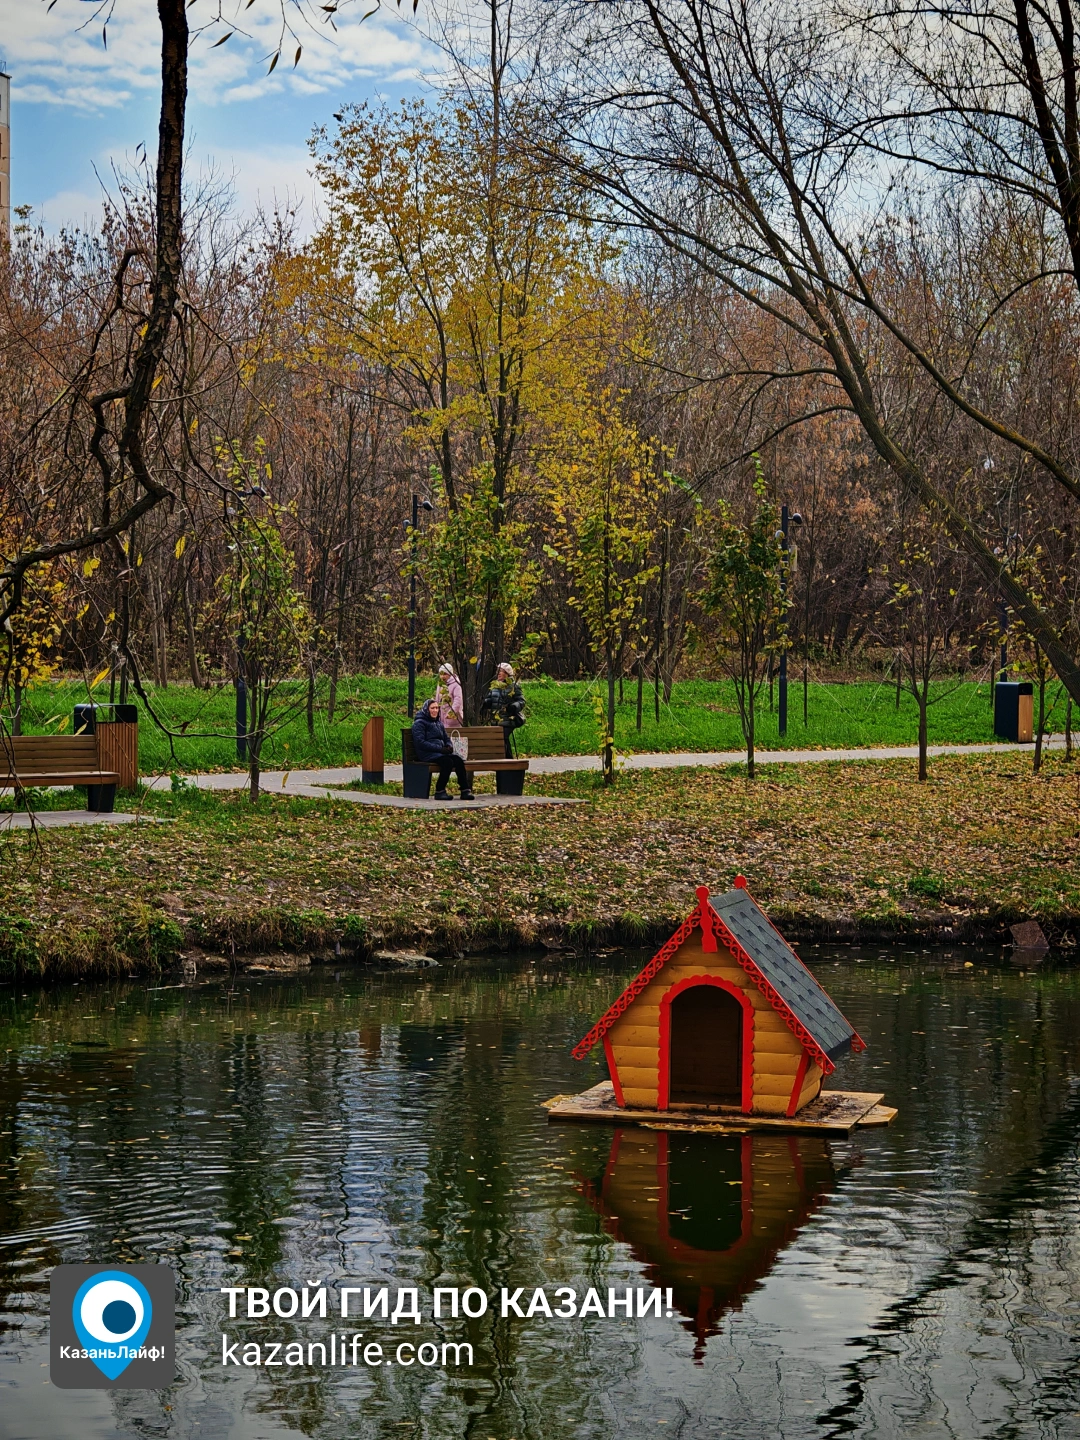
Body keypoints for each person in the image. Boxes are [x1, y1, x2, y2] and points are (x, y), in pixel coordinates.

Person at [411, 698, 474, 800]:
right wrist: (440, 749)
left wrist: (449, 746)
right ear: (426, 709)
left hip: (439, 752)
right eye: (432, 708)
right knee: (447, 762)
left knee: (458, 761)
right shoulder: (419, 723)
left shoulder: (438, 723)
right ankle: (440, 791)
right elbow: (421, 743)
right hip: (427, 753)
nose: (435, 710)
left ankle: (465, 790)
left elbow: (446, 738)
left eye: (437, 708)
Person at [480, 662, 526, 757]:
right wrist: (483, 703)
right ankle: (507, 764)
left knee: (503, 738)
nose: (498, 673)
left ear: (507, 674)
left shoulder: (513, 686)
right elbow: (490, 700)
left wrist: (514, 706)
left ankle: (508, 764)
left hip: (508, 719)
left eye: (501, 671)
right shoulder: (495, 686)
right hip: (496, 720)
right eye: (498, 671)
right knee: (500, 740)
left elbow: (521, 701)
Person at [434, 662, 464, 731]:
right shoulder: (440, 684)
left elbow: (458, 700)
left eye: (444, 674)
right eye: (441, 674)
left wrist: (451, 712)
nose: (442, 676)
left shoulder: (456, 684)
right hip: (442, 718)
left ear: (450, 674)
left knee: (454, 737)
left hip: (453, 719)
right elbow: (437, 699)